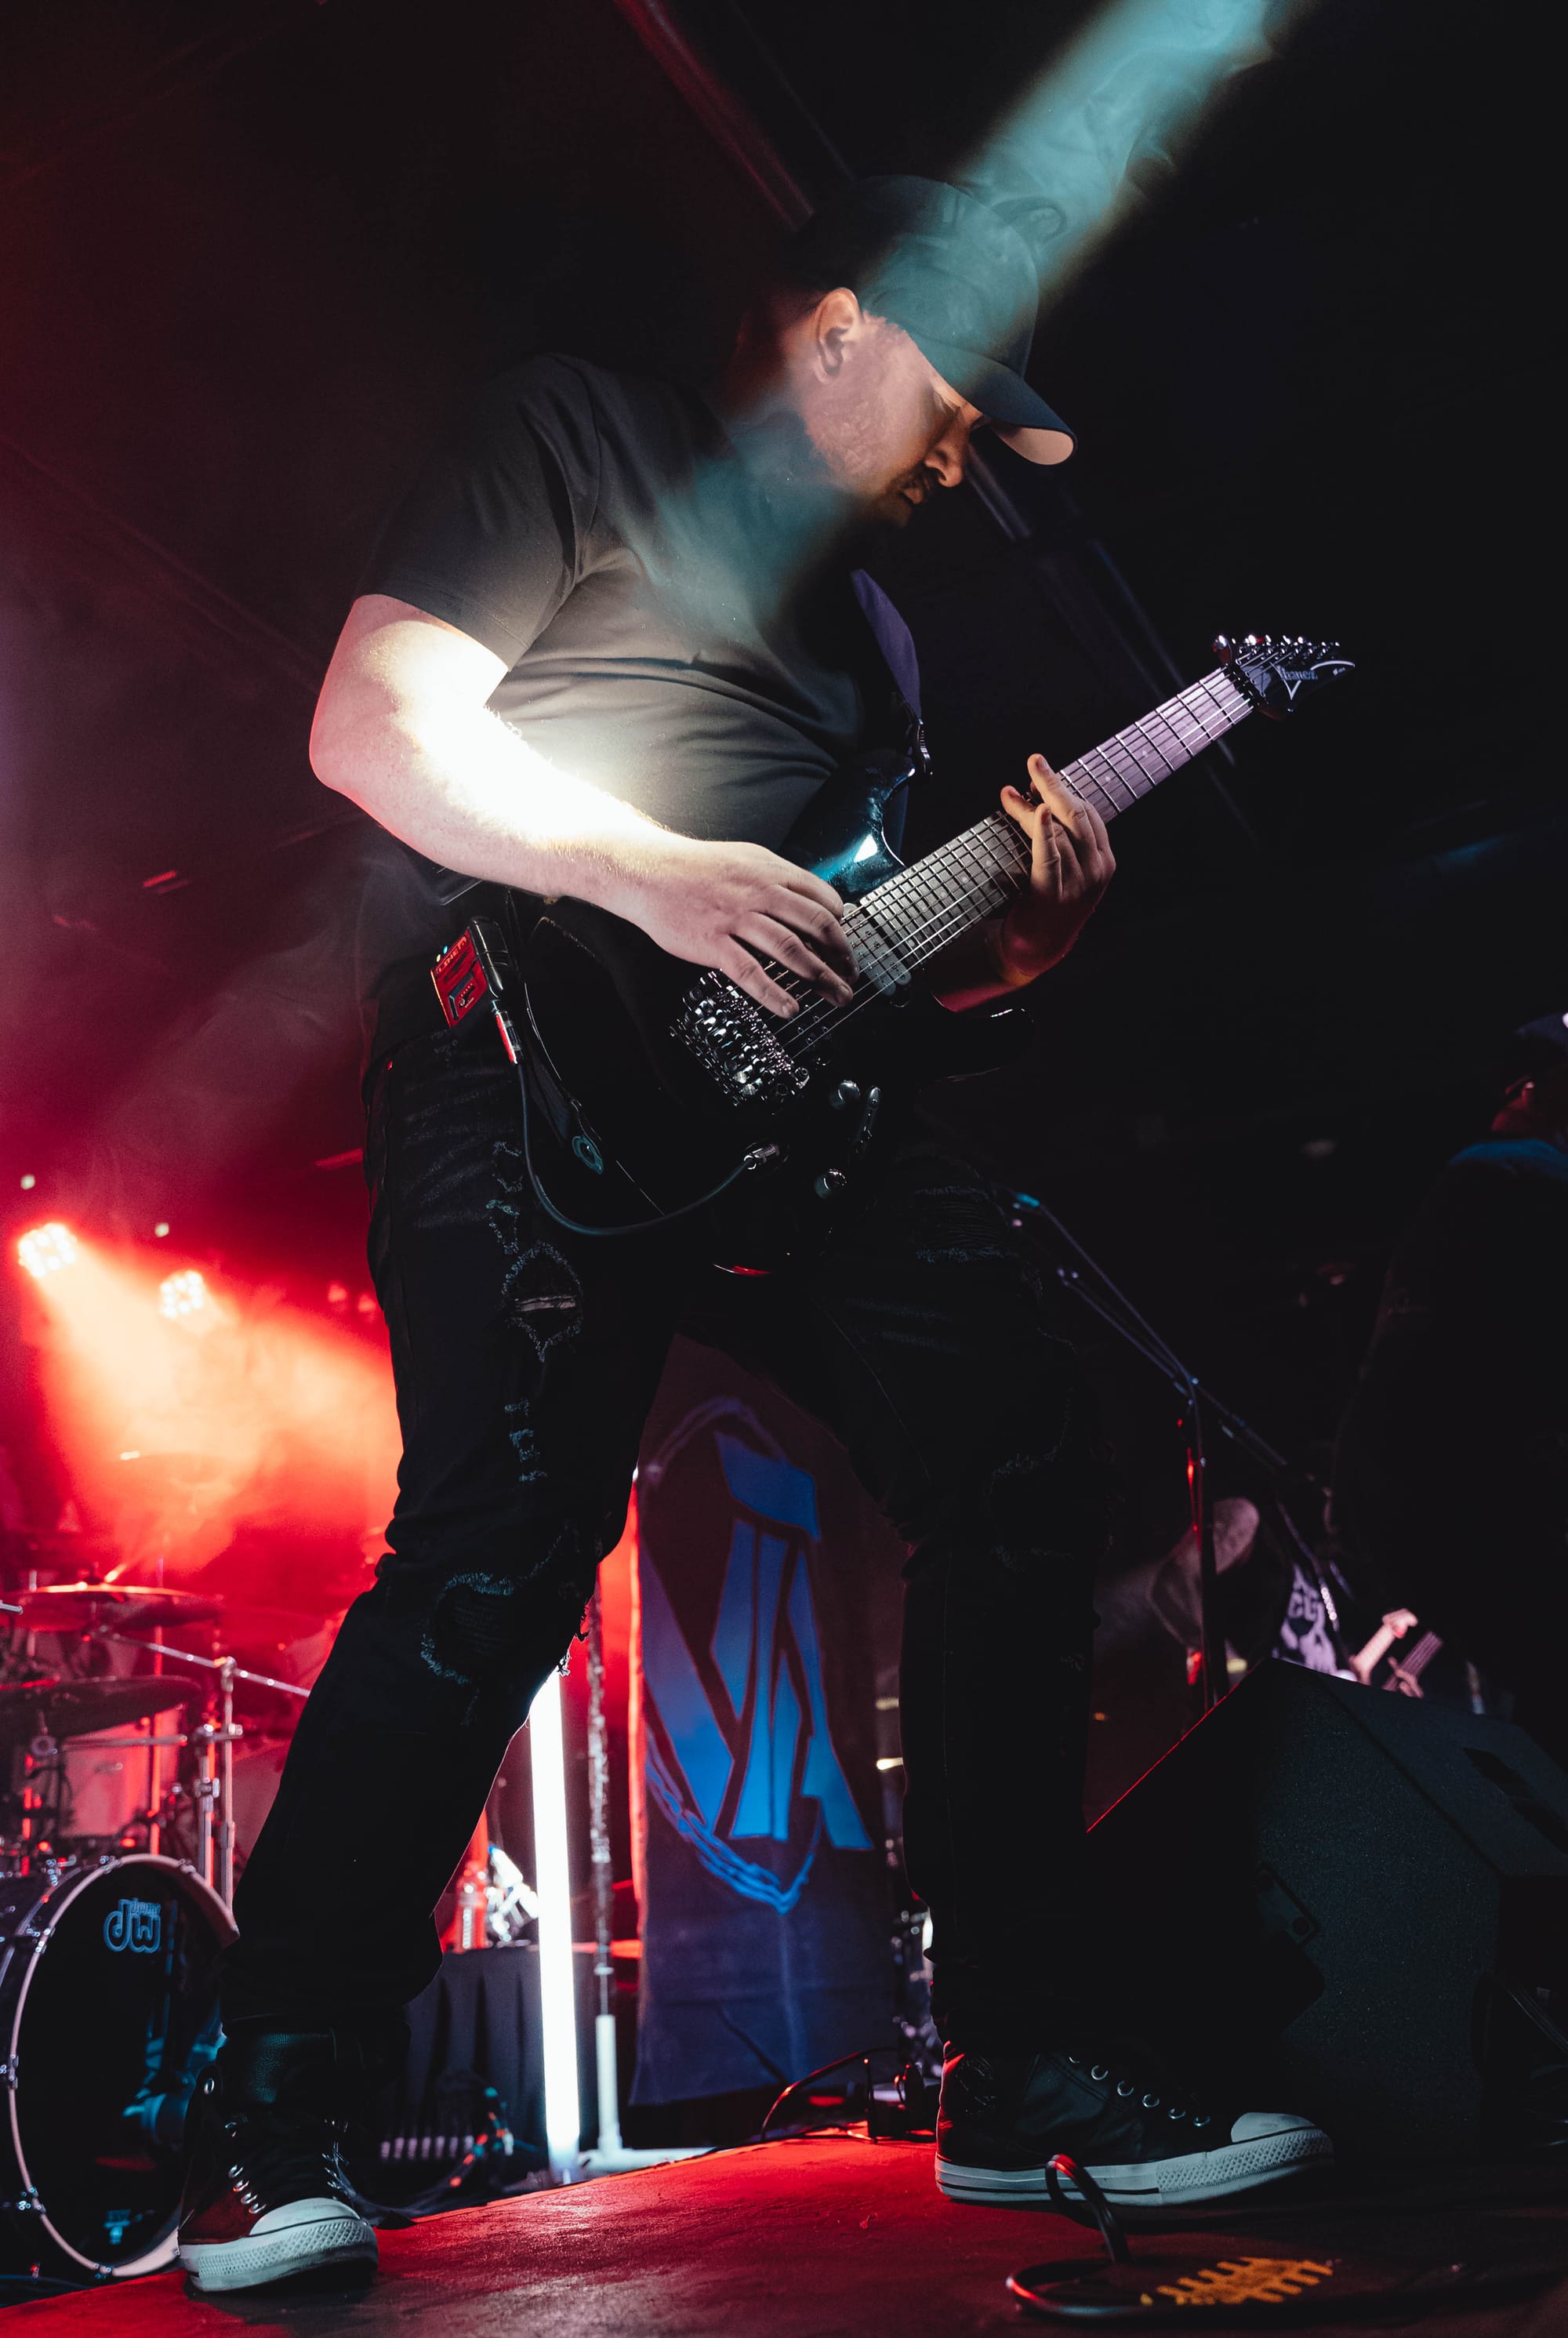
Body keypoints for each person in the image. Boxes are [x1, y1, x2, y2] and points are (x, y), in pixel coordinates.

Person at [177, 177, 1330, 2293]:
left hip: (770, 1126)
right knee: (496, 1556)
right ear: (837, 328)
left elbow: (834, 967)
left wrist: (1006, 961)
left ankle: (1023, 2055)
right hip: (515, 1063)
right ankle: (268, 2111)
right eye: (955, 395)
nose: (966, 448)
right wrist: (649, 867)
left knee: (1016, 1444)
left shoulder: (877, 642)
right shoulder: (574, 434)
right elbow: (375, 725)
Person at [1334, 1012, 1568, 1762]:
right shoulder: (1523, 1173)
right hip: (1480, 1499)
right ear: (1529, 1090)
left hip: (1430, 1507)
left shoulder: (1482, 1178)